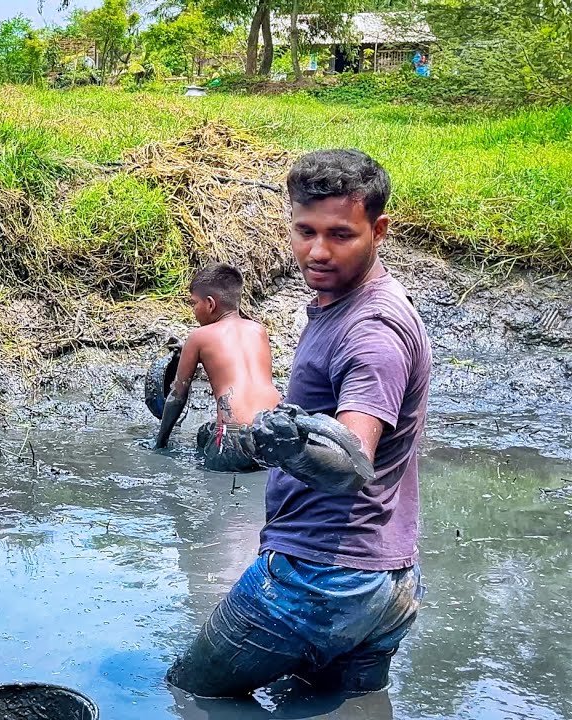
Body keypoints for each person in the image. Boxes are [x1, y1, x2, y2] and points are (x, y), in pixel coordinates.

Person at [166, 149, 431, 697]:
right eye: (304, 231)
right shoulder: (344, 304)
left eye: (340, 234)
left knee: (191, 693)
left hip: (318, 577)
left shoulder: (371, 331)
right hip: (390, 581)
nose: (317, 251)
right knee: (339, 707)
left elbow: (351, 464)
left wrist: (284, 441)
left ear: (378, 230)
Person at [154, 263, 282, 473]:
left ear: (210, 304)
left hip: (233, 437)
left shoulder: (197, 337)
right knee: (205, 433)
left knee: (211, 457)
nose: (193, 310)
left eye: (194, 304)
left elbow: (177, 396)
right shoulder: (258, 330)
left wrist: (160, 443)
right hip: (273, 432)